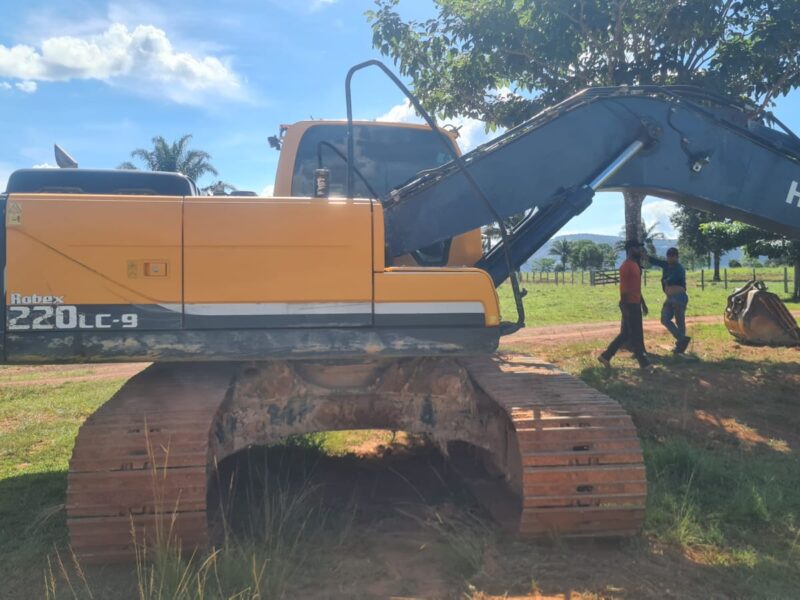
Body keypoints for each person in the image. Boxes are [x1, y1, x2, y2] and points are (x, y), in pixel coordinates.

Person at [598, 240, 650, 369]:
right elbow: (625, 288)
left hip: (635, 302)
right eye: (637, 248)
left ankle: (605, 356)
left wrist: (642, 303)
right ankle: (644, 363)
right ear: (631, 249)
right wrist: (626, 305)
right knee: (636, 333)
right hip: (629, 303)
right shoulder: (626, 266)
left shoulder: (635, 265)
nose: (640, 251)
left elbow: (636, 287)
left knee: (626, 334)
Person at [649, 247, 691, 353]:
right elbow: (655, 261)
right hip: (670, 297)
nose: (670, 259)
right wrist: (645, 256)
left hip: (679, 297)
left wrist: (665, 281)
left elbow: (671, 280)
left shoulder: (679, 268)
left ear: (677, 257)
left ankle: (680, 345)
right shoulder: (666, 264)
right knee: (664, 319)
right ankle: (682, 339)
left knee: (680, 321)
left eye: (672, 257)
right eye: (668, 257)